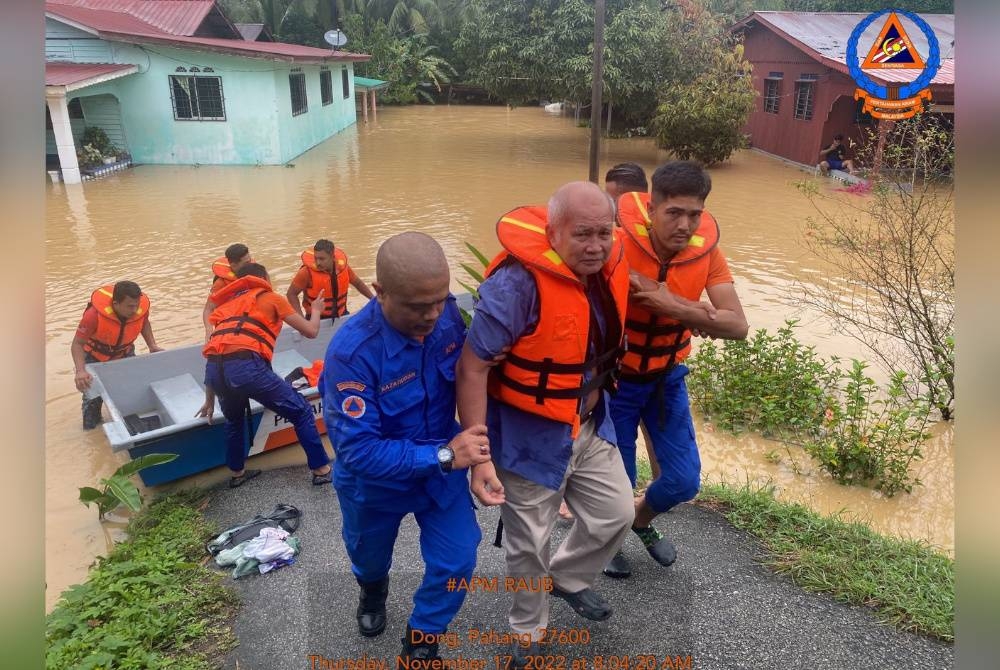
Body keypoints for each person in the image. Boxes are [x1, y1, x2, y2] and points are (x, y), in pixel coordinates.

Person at [456, 181, 635, 666]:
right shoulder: (515, 286)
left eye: (604, 233)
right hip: (527, 438)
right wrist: (479, 457)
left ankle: (567, 578)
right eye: (582, 235)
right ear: (553, 233)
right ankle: (528, 631)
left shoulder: (608, 268)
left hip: (590, 424)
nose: (596, 246)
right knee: (528, 545)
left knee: (617, 513)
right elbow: (472, 368)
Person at [321, 232, 490, 664]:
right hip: (376, 484)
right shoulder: (352, 354)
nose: (432, 315)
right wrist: (447, 456)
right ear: (380, 292)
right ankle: (372, 589)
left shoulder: (447, 316)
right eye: (417, 306)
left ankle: (422, 638)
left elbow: (473, 375)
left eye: (439, 300)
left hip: (440, 469)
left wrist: (477, 455)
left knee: (458, 558)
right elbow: (358, 452)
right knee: (368, 557)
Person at [605, 160, 748, 580]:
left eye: (694, 214)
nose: (684, 225)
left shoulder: (707, 254)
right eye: (674, 213)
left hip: (666, 378)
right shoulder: (615, 244)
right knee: (615, 484)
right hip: (615, 382)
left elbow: (737, 325)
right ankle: (608, 537)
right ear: (652, 209)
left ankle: (638, 520)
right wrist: (701, 314)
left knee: (683, 482)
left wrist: (674, 305)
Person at [195, 262, 332, 488]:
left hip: (215, 372)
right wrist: (316, 309)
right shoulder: (272, 298)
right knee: (301, 411)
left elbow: (216, 352)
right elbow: (311, 331)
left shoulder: (227, 305)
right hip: (246, 369)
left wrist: (209, 399)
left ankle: (237, 474)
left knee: (234, 420)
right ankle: (321, 470)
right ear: (264, 279)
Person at [72, 281, 163, 429]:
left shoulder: (139, 310)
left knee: (132, 388)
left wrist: (152, 345)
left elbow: (144, 323)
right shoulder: (93, 316)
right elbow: (77, 344)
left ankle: (131, 425)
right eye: (130, 306)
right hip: (94, 357)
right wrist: (80, 371)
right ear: (116, 304)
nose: (135, 310)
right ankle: (93, 432)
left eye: (136, 305)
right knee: (92, 400)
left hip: (124, 352)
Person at [286, 238, 374, 320]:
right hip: (315, 318)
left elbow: (358, 283)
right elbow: (291, 294)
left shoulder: (343, 269)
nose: (318, 263)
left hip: (341, 314)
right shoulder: (306, 272)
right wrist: (301, 320)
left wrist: (374, 299)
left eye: (322, 259)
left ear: (332, 257)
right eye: (316, 258)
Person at [203, 243, 252, 340]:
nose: (250, 265)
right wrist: (209, 330)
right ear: (233, 265)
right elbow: (208, 309)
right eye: (246, 263)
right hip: (230, 326)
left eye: (249, 261)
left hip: (250, 321)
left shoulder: (256, 273)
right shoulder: (220, 284)